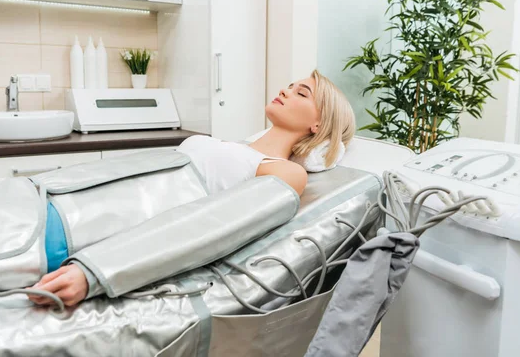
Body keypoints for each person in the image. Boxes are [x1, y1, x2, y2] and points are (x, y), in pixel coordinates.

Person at [27, 69, 356, 307]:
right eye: (290, 85)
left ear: (318, 124)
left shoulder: (285, 172)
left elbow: (205, 227)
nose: (286, 90)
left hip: (77, 230)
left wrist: (97, 271)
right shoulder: (238, 146)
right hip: (57, 197)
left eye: (302, 93)